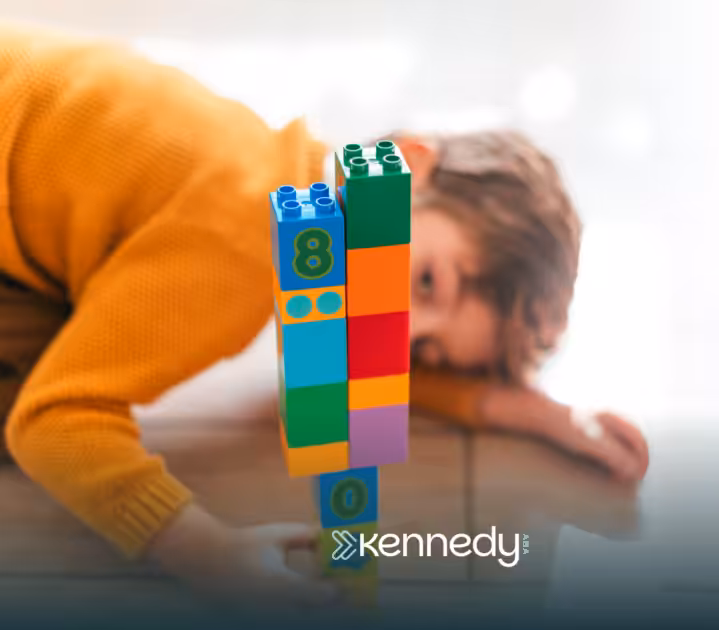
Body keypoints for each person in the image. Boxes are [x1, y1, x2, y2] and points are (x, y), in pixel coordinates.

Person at [0, 23, 648, 608]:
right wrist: (211, 555)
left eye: (425, 351)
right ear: (411, 167)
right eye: (426, 282)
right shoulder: (240, 243)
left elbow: (345, 365)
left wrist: (528, 411)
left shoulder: (299, 187)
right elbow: (54, 426)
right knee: (33, 405)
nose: (398, 331)